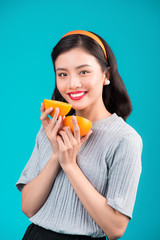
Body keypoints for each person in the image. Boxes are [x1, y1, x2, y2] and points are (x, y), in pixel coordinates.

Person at [16, 30, 143, 240]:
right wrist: (57, 154)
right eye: (62, 74)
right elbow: (28, 208)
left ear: (106, 75)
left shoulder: (124, 139)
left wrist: (70, 165)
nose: (72, 84)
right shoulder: (52, 126)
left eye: (83, 72)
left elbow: (115, 229)